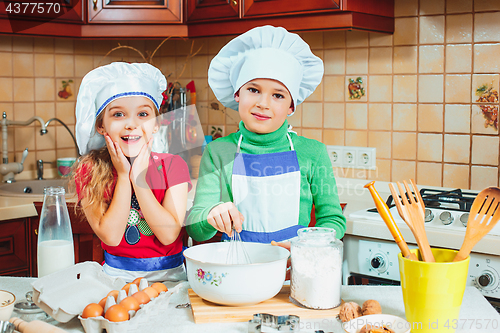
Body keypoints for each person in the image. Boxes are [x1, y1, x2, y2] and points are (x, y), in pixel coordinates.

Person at [186, 26, 346, 244]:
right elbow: (196, 228)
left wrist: (305, 246)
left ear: (291, 106)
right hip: (236, 268)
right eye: (253, 90)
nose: (263, 103)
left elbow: (333, 220)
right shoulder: (218, 152)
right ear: (237, 94)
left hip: (292, 269)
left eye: (278, 95)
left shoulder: (313, 152)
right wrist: (211, 215)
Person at [71, 62, 191, 282]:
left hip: (172, 279)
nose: (131, 124)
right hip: (115, 279)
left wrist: (138, 177)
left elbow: (168, 234)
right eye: (118, 115)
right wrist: (124, 177)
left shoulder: (174, 165)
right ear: (101, 126)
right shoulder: (89, 171)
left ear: (155, 124)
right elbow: (112, 236)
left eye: (143, 114)